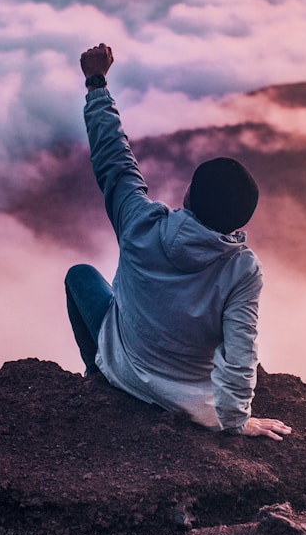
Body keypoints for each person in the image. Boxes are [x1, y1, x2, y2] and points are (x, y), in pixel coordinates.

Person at [65, 43, 292, 441]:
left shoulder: (140, 222)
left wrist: (96, 84)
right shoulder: (242, 269)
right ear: (241, 220)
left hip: (124, 369)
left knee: (80, 276)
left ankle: (96, 372)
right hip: (189, 402)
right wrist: (237, 421)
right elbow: (241, 355)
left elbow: (114, 161)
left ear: (189, 196)